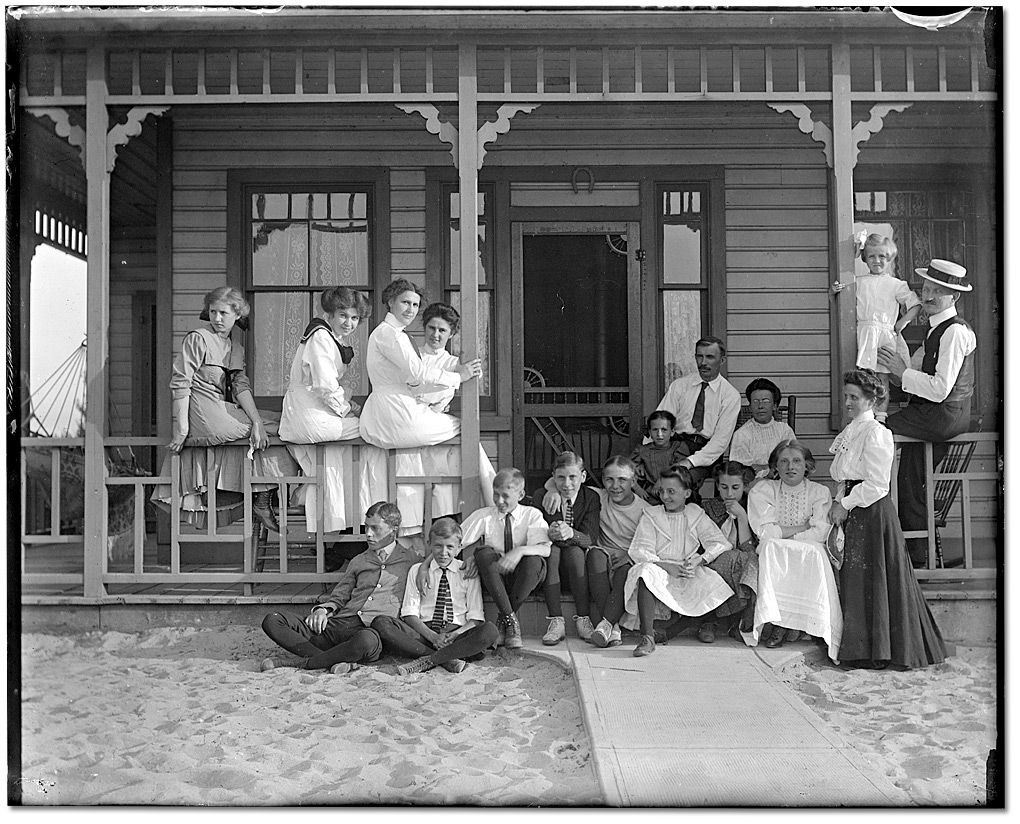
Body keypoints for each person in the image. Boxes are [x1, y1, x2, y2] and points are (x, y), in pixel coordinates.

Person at [151, 286, 299, 533]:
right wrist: (181, 428)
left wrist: (258, 422)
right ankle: (263, 497)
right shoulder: (198, 338)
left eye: (223, 314)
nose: (217, 319)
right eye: (213, 312)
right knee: (279, 428)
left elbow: (240, 386)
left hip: (221, 408)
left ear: (237, 315)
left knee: (282, 422)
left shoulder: (235, 347)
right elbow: (180, 382)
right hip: (201, 412)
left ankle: (263, 495)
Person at [828, 369, 948, 669]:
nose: (848, 403)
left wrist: (846, 503)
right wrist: (838, 502)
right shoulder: (850, 431)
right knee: (855, 577)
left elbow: (878, 484)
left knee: (875, 577)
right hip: (850, 508)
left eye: (854, 397)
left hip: (870, 510)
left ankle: (880, 652)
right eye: (846, 397)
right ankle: (860, 650)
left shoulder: (877, 433)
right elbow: (844, 476)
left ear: (871, 399)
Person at [359, 279, 495, 534]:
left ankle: (490, 501)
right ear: (390, 302)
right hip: (399, 413)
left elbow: (414, 379)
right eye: (405, 303)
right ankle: (492, 500)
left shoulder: (396, 336)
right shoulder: (390, 335)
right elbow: (418, 374)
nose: (410, 309)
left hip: (401, 411)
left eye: (414, 304)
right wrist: (459, 376)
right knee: (464, 428)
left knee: (464, 433)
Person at [877, 259, 976, 567]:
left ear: (954, 297)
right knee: (910, 479)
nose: (929, 296)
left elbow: (939, 389)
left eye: (939, 291)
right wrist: (899, 372)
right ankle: (917, 555)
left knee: (877, 428)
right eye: (927, 289)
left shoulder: (955, 332)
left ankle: (887, 533)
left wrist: (902, 372)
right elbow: (920, 376)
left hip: (943, 415)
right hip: (934, 413)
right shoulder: (936, 331)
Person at [259, 501, 418, 674]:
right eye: (366, 528)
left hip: (370, 633)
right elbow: (339, 597)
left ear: (394, 529)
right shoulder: (359, 560)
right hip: (338, 626)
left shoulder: (412, 561)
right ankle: (332, 660)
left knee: (366, 640)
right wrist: (322, 611)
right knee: (273, 620)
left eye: (375, 528)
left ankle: (308, 662)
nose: (368, 534)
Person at [279, 286, 386, 533]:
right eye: (343, 315)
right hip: (309, 416)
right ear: (330, 314)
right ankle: (359, 504)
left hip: (315, 412)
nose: (349, 323)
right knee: (375, 430)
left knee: (356, 446)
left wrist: (350, 404)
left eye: (354, 318)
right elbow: (325, 385)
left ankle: (349, 508)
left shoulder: (331, 338)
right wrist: (347, 409)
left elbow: (330, 385)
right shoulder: (320, 337)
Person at [618, 466, 734, 657]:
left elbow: (719, 542)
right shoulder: (652, 515)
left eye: (671, 491)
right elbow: (641, 550)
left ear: (687, 493)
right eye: (662, 491)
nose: (665, 496)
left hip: (685, 568)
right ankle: (647, 637)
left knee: (712, 583)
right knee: (644, 572)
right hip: (659, 566)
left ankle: (671, 631)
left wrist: (700, 559)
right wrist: (666, 566)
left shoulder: (695, 515)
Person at [747, 441, 841, 661]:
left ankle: (812, 625)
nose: (791, 467)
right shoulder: (764, 490)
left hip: (809, 546)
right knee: (771, 549)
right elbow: (765, 532)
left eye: (797, 461)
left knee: (813, 553)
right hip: (776, 546)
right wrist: (802, 527)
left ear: (807, 466)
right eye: (784, 461)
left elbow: (819, 532)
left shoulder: (820, 492)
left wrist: (786, 533)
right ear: (775, 467)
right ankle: (778, 622)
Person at [543, 456, 649, 650]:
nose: (615, 486)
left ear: (633, 482)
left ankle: (608, 624)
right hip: (601, 558)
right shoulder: (599, 496)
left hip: (629, 560)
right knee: (595, 556)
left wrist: (630, 554)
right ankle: (609, 626)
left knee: (620, 571)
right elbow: (567, 482)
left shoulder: (645, 511)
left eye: (622, 480)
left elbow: (649, 543)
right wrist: (552, 490)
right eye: (609, 480)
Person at [372, 517, 500, 676]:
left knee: (489, 631)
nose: (443, 552)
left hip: (457, 635)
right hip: (425, 633)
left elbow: (476, 617)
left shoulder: (466, 572)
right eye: (438, 546)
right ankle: (447, 659)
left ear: (459, 547)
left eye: (450, 547)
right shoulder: (417, 570)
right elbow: (409, 613)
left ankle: (429, 660)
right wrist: (432, 637)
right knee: (381, 623)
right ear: (429, 543)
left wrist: (455, 635)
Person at [458, 467, 552, 650]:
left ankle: (504, 620)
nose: (499, 501)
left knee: (533, 560)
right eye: (496, 495)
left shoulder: (532, 515)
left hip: (525, 579)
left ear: (521, 494)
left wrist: (520, 551)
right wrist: (426, 565)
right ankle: (512, 623)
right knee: (483, 553)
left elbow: (545, 550)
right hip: (497, 579)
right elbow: (454, 540)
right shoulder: (485, 516)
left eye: (505, 496)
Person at [832, 233, 921, 422]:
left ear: (889, 258)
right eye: (872, 256)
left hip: (883, 335)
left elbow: (915, 304)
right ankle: (864, 414)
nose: (877, 260)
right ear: (865, 259)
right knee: (862, 377)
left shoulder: (896, 284)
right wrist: (834, 290)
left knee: (882, 378)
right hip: (863, 333)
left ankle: (880, 415)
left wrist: (901, 322)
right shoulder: (859, 282)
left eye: (882, 256)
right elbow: (841, 298)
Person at [655, 336, 741, 491]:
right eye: (699, 356)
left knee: (680, 481)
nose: (703, 362)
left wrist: (690, 462)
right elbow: (660, 421)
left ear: (722, 360)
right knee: (644, 474)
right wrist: (645, 451)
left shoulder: (730, 396)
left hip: (705, 451)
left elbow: (720, 442)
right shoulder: (680, 386)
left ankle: (689, 512)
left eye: (710, 357)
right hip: (675, 445)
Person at [536, 452, 600, 645]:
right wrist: (551, 532)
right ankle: (556, 621)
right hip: (552, 568)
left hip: (577, 567)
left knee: (574, 552)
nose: (567, 484)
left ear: (583, 476)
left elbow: (589, 538)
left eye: (573, 477)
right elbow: (536, 530)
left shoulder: (590, 498)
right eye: (561, 477)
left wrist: (571, 533)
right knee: (552, 551)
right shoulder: (543, 496)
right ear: (553, 477)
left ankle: (583, 618)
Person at [696, 460, 760, 643]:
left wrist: (742, 516)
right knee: (734, 560)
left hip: (744, 562)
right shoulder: (708, 509)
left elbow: (748, 548)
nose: (729, 493)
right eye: (724, 487)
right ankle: (709, 621)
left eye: (735, 487)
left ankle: (742, 623)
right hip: (716, 560)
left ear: (745, 486)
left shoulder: (752, 508)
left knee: (752, 563)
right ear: (717, 485)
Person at [728, 378, 797, 481]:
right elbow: (742, 472)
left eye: (765, 401)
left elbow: (794, 461)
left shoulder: (784, 430)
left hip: (784, 482)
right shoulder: (742, 434)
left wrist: (764, 468)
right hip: (754, 487)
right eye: (755, 402)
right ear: (750, 407)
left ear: (774, 406)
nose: (760, 406)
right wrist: (773, 469)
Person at [629, 410, 687, 502]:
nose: (659, 434)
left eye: (664, 430)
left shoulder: (678, 447)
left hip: (675, 495)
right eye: (655, 430)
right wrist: (638, 489)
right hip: (650, 495)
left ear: (672, 432)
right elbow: (627, 471)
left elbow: (680, 469)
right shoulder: (642, 450)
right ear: (650, 432)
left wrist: (662, 480)